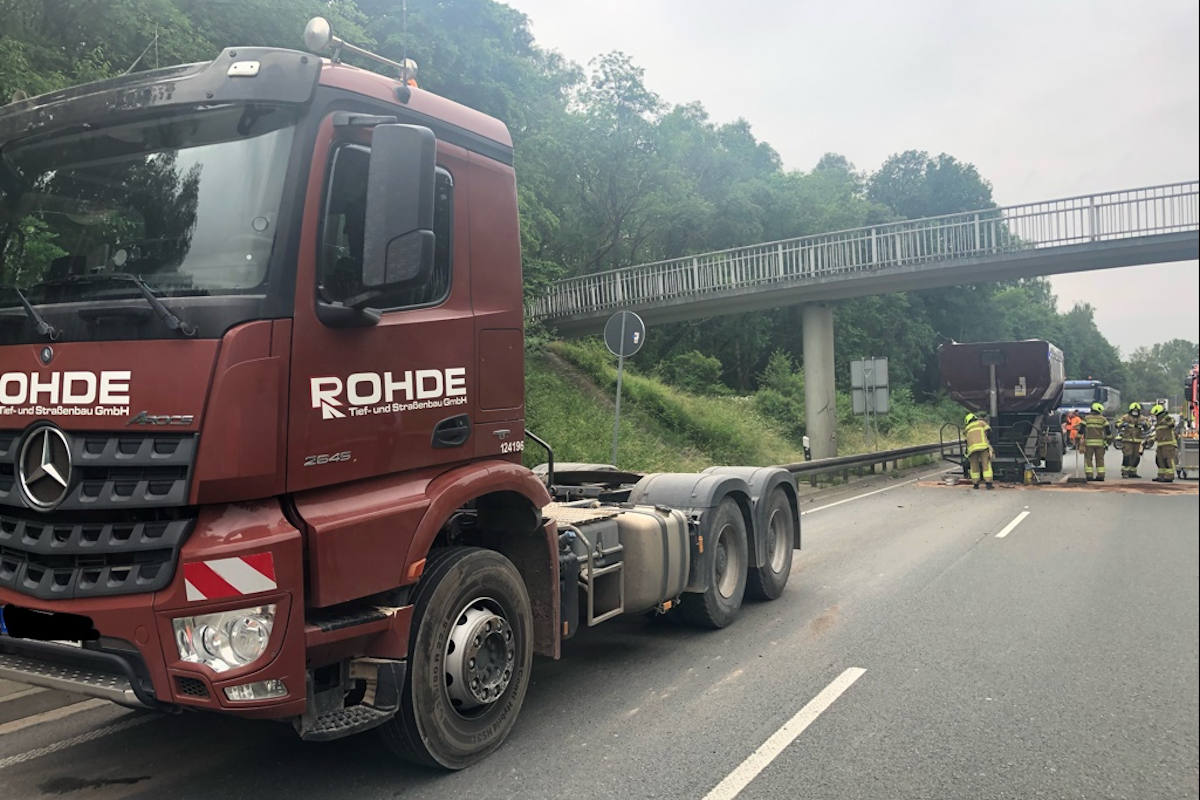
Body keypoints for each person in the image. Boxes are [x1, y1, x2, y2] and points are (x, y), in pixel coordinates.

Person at [1115, 402, 1152, 478]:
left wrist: (1145, 424)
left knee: (1136, 457)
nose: (1135, 413)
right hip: (1127, 440)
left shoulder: (1142, 418)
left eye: (1137, 411)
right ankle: (1125, 472)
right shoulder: (1126, 417)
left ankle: (1133, 472)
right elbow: (1117, 423)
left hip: (1138, 440)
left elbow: (1148, 426)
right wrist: (1122, 424)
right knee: (1127, 456)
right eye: (1133, 411)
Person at [1080, 401, 1111, 481]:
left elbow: (1081, 429)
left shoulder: (1086, 418)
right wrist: (1108, 441)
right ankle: (1100, 476)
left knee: (1088, 459)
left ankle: (1089, 476)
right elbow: (1108, 431)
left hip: (1089, 443)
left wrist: (1078, 438)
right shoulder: (1103, 419)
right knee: (1100, 459)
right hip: (1100, 444)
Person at [963, 412, 994, 489]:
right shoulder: (981, 423)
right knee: (986, 465)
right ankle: (988, 484)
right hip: (983, 447)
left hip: (972, 449)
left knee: (974, 466)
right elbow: (989, 431)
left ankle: (976, 484)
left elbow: (966, 440)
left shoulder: (967, 428)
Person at [1151, 404, 1178, 482]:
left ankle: (1169, 476)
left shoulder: (1167, 418)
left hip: (1169, 445)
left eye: (1156, 415)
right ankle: (1161, 476)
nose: (1155, 417)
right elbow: (1158, 434)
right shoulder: (1158, 423)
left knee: (1168, 460)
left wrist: (1167, 422)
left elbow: (1172, 423)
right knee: (1160, 461)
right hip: (1161, 445)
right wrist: (1152, 439)